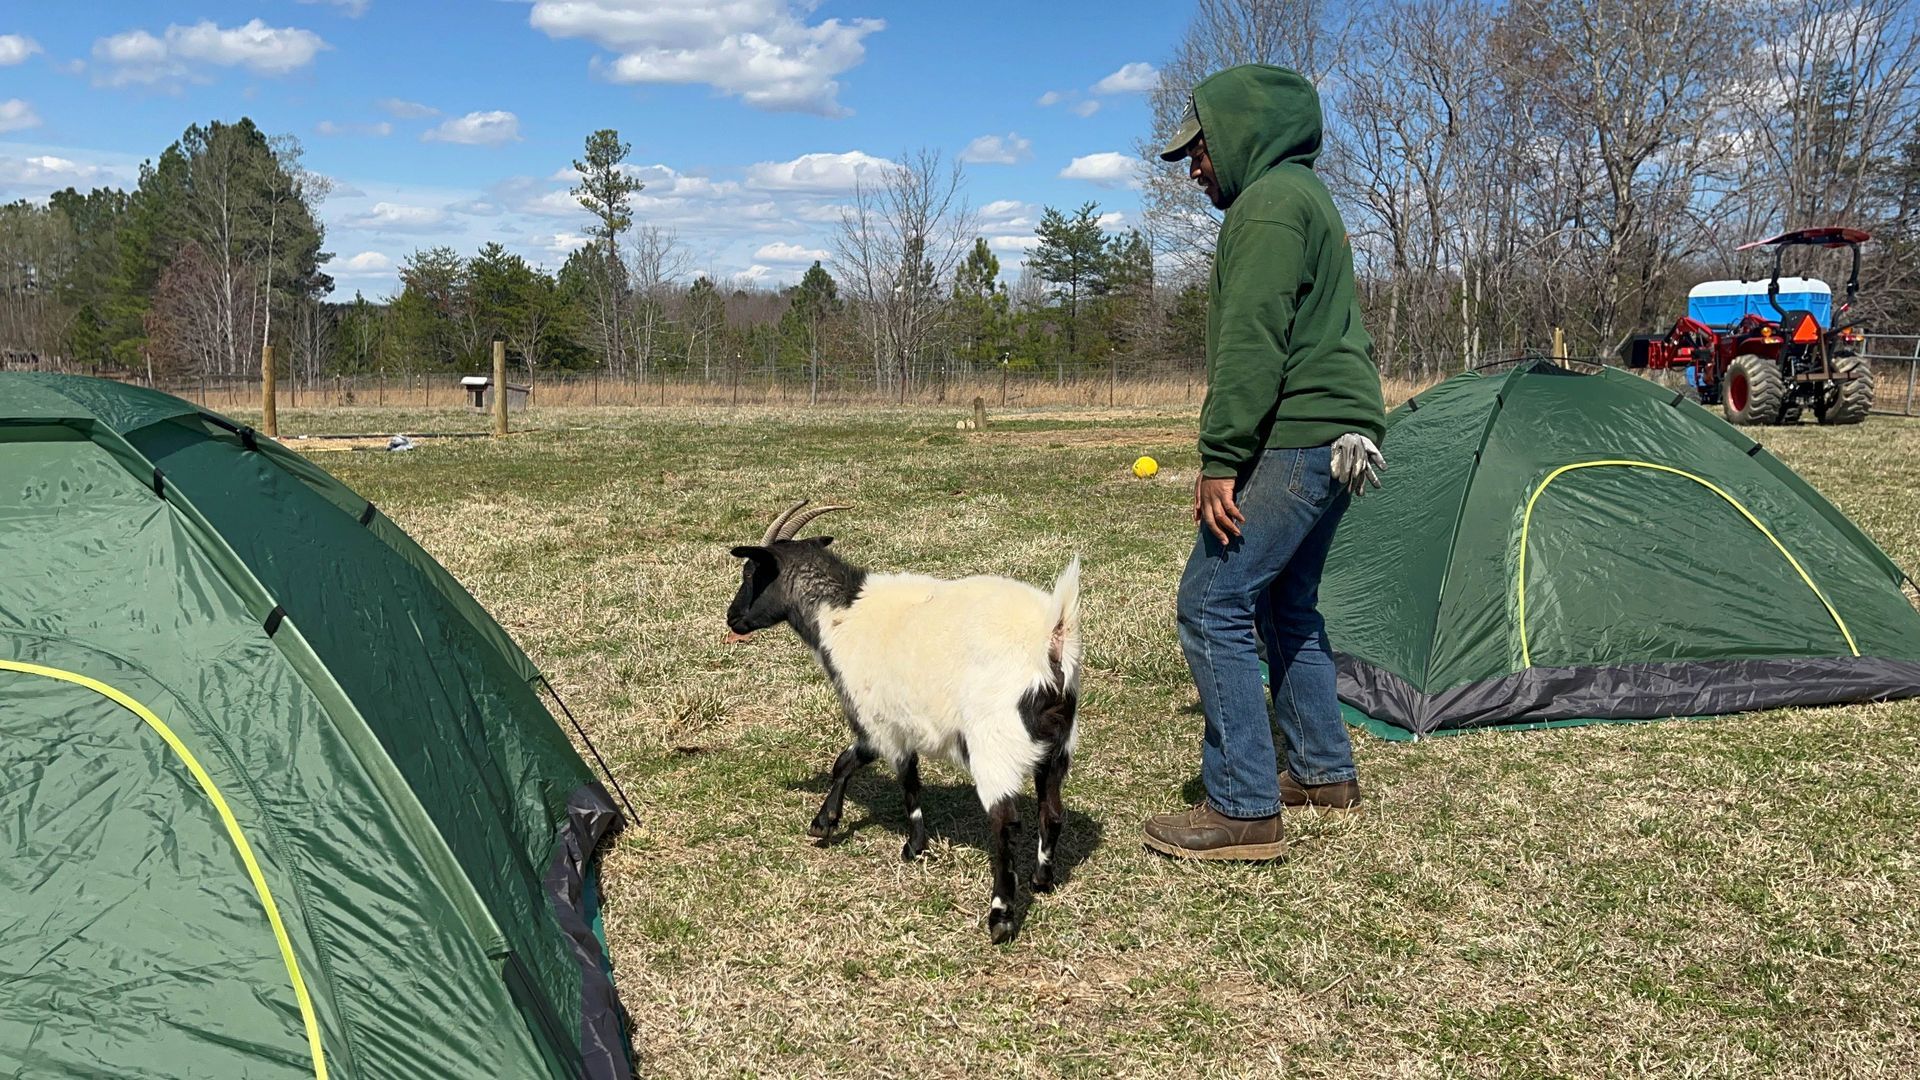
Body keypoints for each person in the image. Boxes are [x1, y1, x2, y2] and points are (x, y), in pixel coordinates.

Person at [1141, 64, 1387, 862]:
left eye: (1201, 149)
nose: (1196, 168)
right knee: (1287, 605)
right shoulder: (1306, 198)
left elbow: (1253, 342)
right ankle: (1321, 771)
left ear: (1241, 134)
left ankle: (1243, 806)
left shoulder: (1269, 205)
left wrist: (1221, 458)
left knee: (1210, 602)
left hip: (1299, 436)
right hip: (1343, 438)